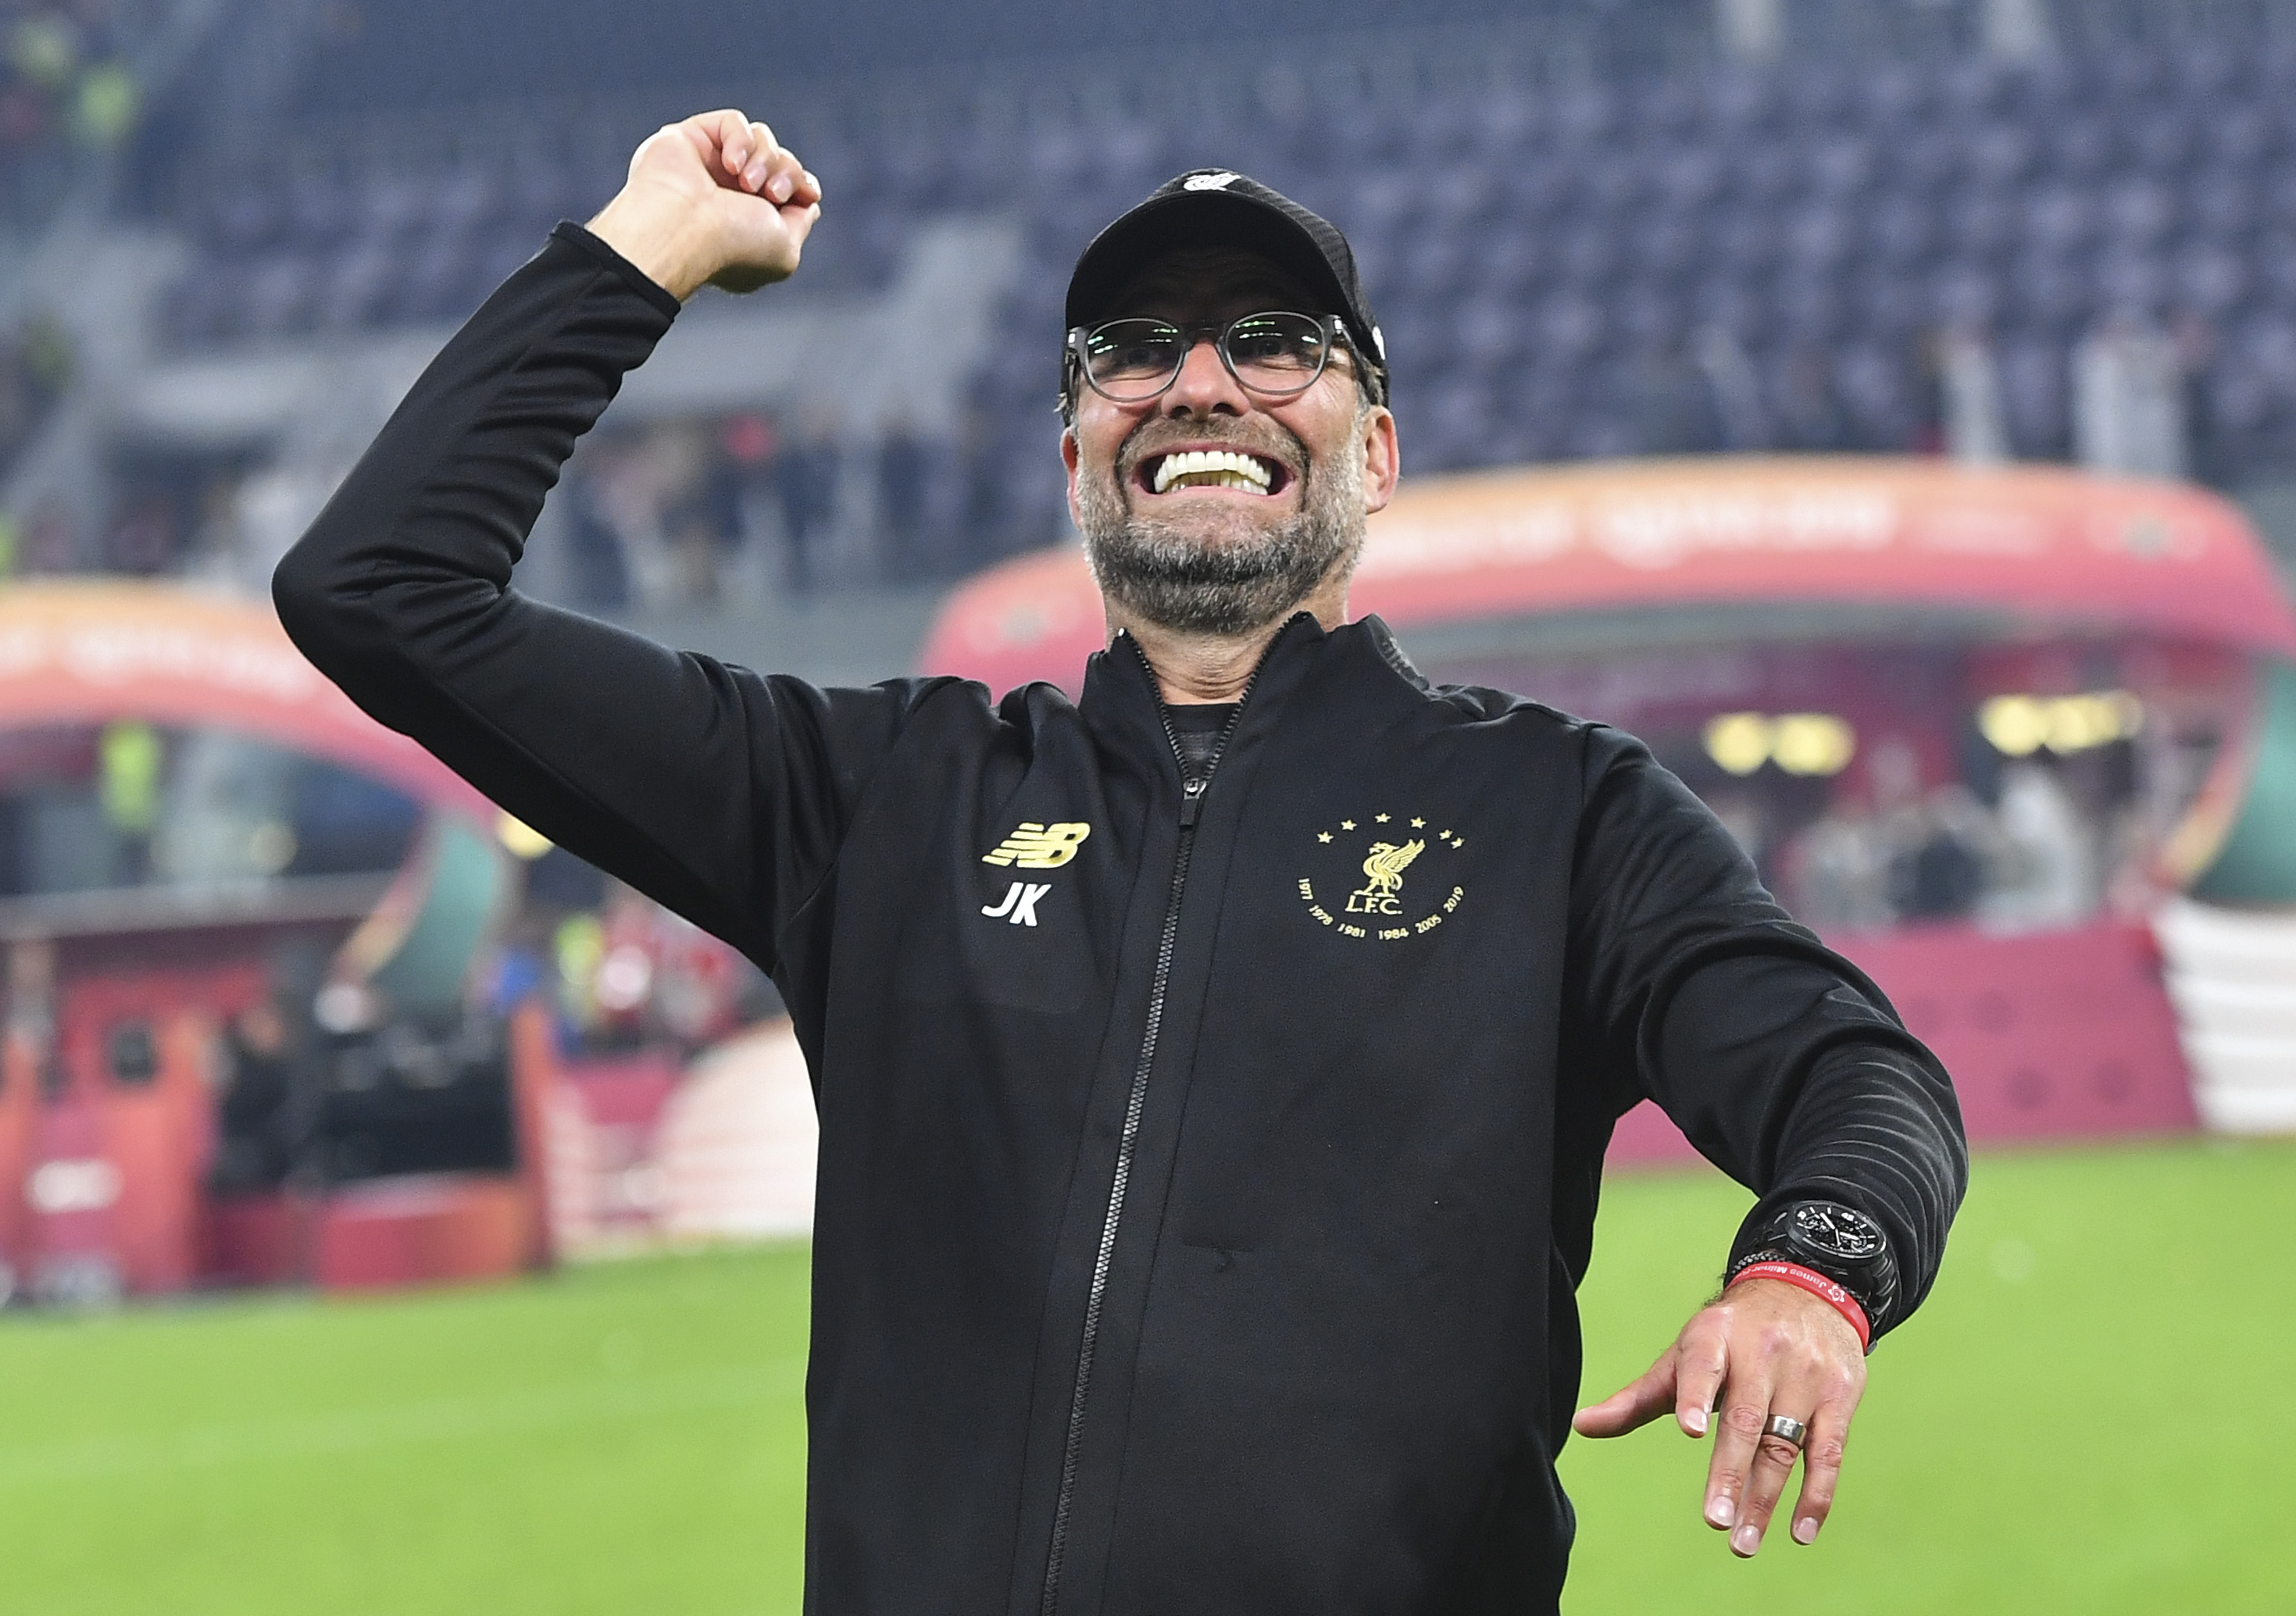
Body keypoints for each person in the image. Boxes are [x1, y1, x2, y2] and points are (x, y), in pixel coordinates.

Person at [275, 111, 1966, 1614]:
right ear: (1077, 451)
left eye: (1276, 343)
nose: (1199, 382)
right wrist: (638, 252)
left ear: (1374, 451)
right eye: (1133, 351)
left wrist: (1812, 1270)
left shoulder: (1561, 813)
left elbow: (1855, 1078)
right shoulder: (877, 797)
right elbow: (380, 591)